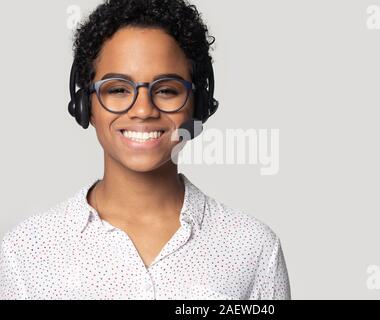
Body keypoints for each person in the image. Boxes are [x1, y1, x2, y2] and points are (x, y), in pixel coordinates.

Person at [0, 0, 290, 300]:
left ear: (198, 105)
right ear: (86, 105)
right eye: (117, 89)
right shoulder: (25, 251)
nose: (143, 110)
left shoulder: (253, 248)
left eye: (166, 90)